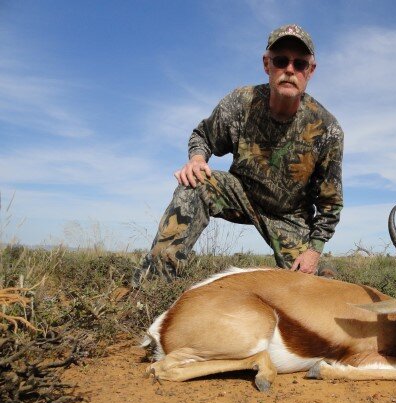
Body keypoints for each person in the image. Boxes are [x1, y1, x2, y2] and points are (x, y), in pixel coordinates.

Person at [134, 24, 343, 284]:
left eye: (299, 64)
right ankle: (153, 285)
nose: (290, 70)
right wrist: (197, 160)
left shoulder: (327, 129)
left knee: (323, 284)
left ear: (310, 71)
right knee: (195, 182)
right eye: (281, 61)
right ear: (267, 64)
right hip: (240, 193)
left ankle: (324, 274)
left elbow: (330, 203)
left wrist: (314, 250)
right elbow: (203, 136)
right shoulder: (240, 102)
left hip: (289, 216)